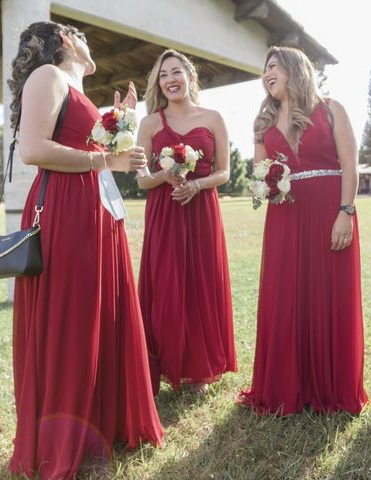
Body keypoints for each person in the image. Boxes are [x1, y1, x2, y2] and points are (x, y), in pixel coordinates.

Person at [9, 21, 163, 478]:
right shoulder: (49, 77)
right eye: (82, 35)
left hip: (97, 211)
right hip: (64, 210)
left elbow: (97, 154)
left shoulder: (77, 88)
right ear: (67, 40)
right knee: (73, 316)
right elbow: (34, 149)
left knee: (101, 314)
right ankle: (62, 436)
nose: (88, 42)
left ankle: (103, 421)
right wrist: (104, 158)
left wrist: (121, 125)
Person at [239, 46, 367, 415]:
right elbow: (259, 174)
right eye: (265, 69)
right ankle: (288, 385)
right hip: (285, 217)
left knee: (330, 293)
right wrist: (265, 187)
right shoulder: (262, 123)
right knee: (287, 294)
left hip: (330, 210)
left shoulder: (331, 109)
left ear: (296, 69)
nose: (267, 74)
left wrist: (346, 211)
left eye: (274, 66)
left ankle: (331, 386)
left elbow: (350, 164)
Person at [136, 49, 237, 395]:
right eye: (163, 75)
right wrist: (168, 174)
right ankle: (161, 364)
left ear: (190, 77)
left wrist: (195, 184)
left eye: (176, 72)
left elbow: (225, 172)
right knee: (165, 286)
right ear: (158, 83)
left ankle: (197, 370)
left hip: (202, 210)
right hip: (165, 212)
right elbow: (141, 180)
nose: (170, 80)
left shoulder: (213, 118)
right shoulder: (149, 123)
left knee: (200, 285)